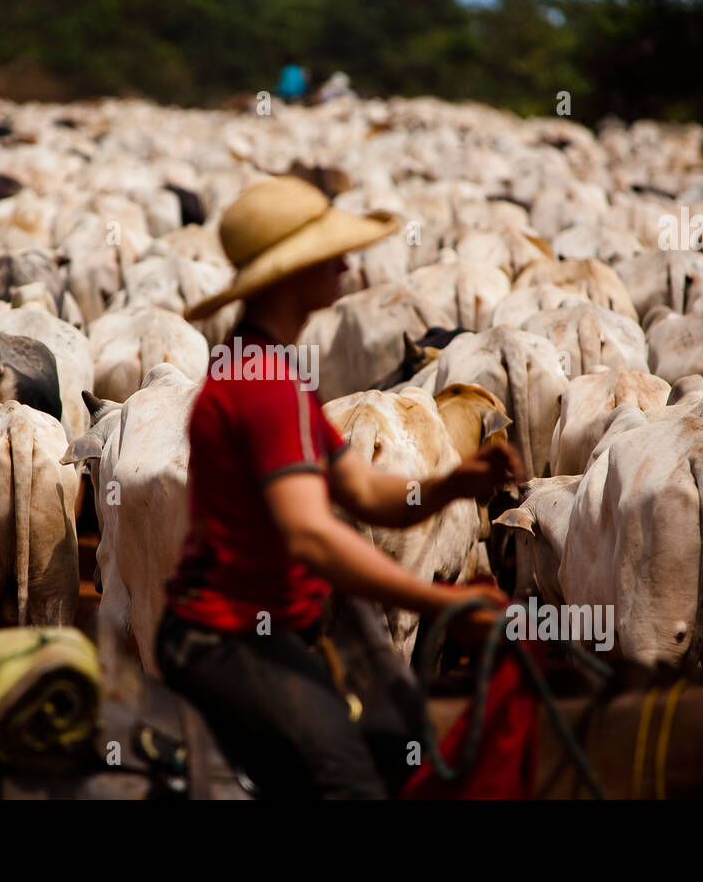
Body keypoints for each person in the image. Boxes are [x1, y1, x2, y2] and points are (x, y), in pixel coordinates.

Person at [157, 175, 526, 799]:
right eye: (330, 253)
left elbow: (363, 494)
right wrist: (439, 603)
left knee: (395, 738)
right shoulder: (264, 385)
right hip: (229, 637)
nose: (348, 262)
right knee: (351, 784)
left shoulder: (278, 375)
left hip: (272, 629)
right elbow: (313, 536)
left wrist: (452, 483)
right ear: (294, 271)